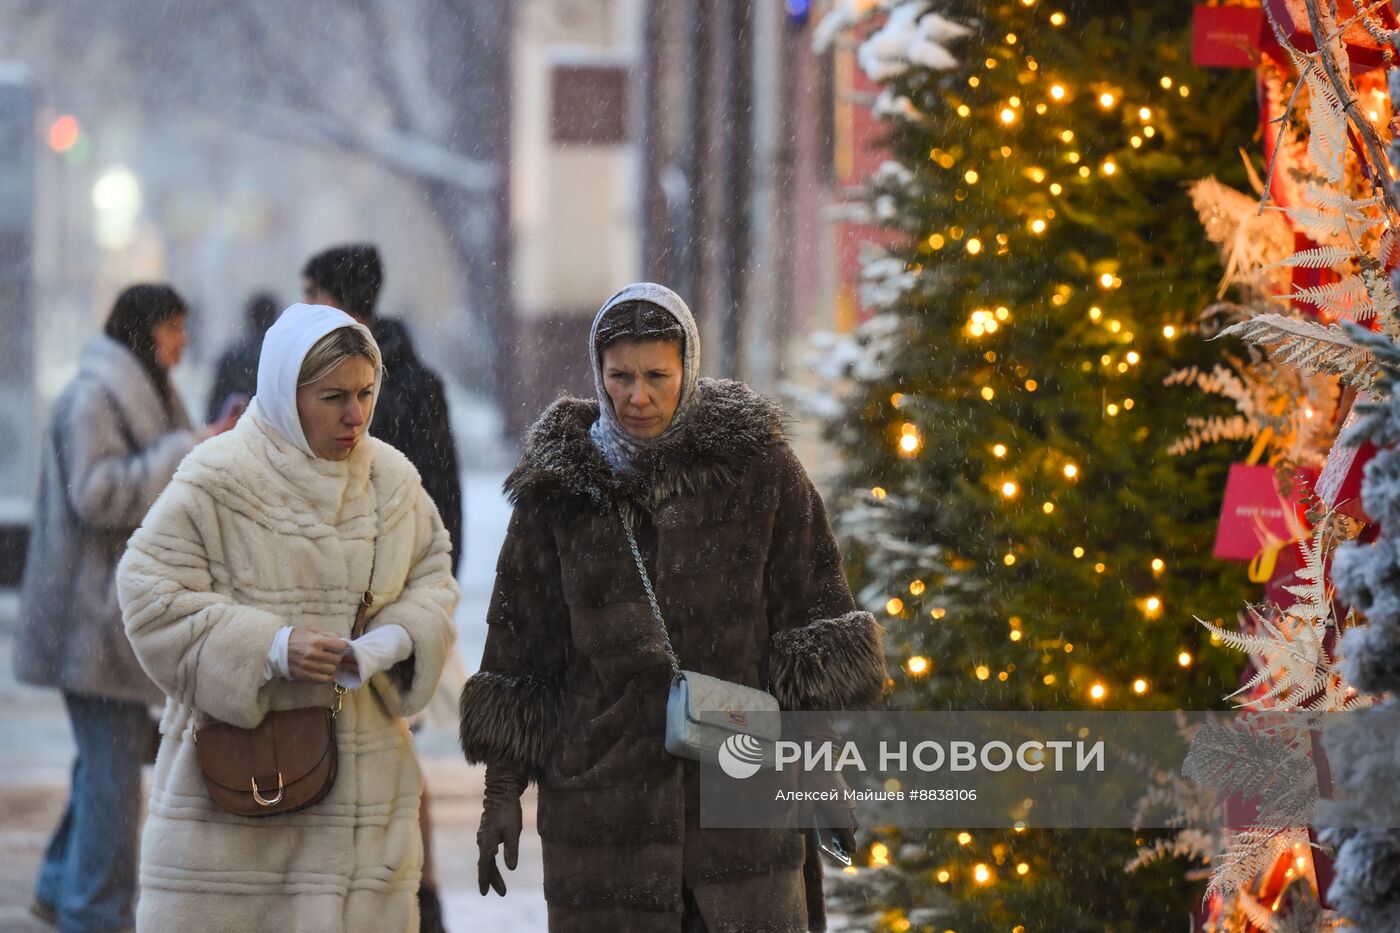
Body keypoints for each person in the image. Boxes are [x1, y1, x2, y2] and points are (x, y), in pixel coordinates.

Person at [458, 282, 887, 930]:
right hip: (605, 813)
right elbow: (520, 654)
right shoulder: (557, 492)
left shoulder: (759, 470)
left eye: (657, 375)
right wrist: (501, 791)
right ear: (598, 373)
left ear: (687, 366)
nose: (638, 396)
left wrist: (822, 766)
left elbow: (810, 625)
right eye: (620, 377)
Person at [116, 304, 459, 932]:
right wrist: (270, 648)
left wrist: (393, 640)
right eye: (333, 397)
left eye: (365, 393)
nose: (355, 415)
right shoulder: (219, 478)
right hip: (237, 810)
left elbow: (433, 576)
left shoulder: (392, 481)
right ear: (284, 392)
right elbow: (147, 592)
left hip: (365, 807)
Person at [15, 283, 238, 933]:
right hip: (90, 623)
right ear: (144, 329)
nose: (182, 342)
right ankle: (94, 913)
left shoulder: (148, 391)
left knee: (102, 768)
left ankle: (61, 888)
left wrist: (200, 440)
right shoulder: (94, 396)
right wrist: (187, 448)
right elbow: (96, 493)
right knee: (112, 780)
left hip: (112, 618)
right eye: (173, 328)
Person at [302, 243, 463, 931]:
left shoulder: (393, 385)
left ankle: (411, 896)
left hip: (382, 616)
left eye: (311, 294)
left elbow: (436, 510)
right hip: (369, 614)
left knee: (385, 754)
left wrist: (417, 604)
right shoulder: (414, 378)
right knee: (377, 757)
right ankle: (413, 897)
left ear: (337, 300)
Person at [301, 244, 462, 574]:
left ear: (340, 301)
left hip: (392, 577)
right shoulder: (304, 380)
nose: (304, 307)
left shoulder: (415, 388)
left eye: (313, 294)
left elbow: (440, 499)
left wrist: (433, 582)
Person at [204, 290, 279, 422]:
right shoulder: (281, 356)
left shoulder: (232, 355)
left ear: (250, 319)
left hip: (237, 428)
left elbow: (214, 408)